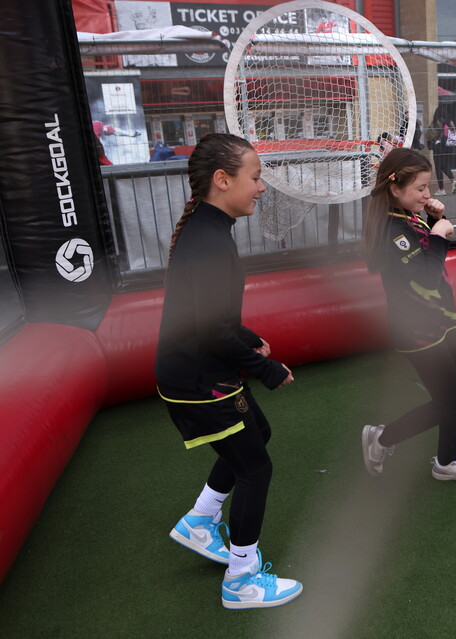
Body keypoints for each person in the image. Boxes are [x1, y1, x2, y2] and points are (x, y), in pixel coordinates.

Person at [155, 133, 302, 609]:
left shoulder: (206, 228)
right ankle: (241, 579)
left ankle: (199, 520)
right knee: (255, 467)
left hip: (195, 371)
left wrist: (246, 336)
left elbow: (211, 318)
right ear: (222, 180)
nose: (261, 187)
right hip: (199, 381)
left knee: (258, 430)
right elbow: (209, 331)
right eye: (255, 177)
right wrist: (267, 368)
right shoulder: (210, 240)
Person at [359, 147, 456, 484]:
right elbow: (426, 275)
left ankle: (446, 460)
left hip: (437, 321)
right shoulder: (393, 231)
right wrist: (438, 233)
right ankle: (384, 438)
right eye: (420, 189)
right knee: (448, 400)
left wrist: (431, 219)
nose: (427, 194)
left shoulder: (406, 216)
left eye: (428, 187)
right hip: (416, 329)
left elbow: (425, 253)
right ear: (395, 188)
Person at [424, 114, 456, 196]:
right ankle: (453, 180)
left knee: (438, 167)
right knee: (444, 166)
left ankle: (441, 189)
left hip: (438, 147)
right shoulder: (450, 122)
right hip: (448, 147)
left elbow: (430, 135)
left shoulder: (437, 122)